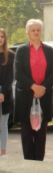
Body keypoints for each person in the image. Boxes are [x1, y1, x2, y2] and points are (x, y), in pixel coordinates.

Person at [14, 19, 53, 161]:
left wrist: (43, 87)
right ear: (28, 32)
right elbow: (18, 73)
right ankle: (29, 165)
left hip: (43, 96)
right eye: (33, 30)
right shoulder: (21, 51)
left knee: (41, 133)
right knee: (27, 133)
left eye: (38, 30)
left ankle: (40, 165)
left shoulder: (49, 51)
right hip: (26, 96)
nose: (36, 32)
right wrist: (33, 87)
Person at [0, 28, 14, 157]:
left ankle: (3, 152)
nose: (0, 39)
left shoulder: (10, 55)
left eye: (2, 36)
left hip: (5, 94)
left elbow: (10, 77)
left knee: (3, 124)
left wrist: (3, 93)